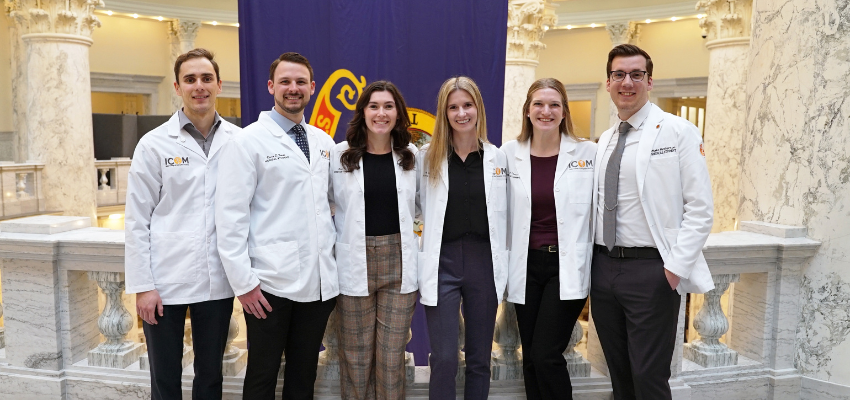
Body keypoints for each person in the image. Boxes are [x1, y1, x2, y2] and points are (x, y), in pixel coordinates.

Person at [591, 43, 714, 400]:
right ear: (609, 82)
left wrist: (673, 269)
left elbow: (701, 208)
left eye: (636, 74)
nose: (626, 82)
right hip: (603, 269)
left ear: (649, 81)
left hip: (651, 272)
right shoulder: (606, 138)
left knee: (649, 376)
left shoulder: (678, 131)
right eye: (618, 75)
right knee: (619, 374)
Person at [214, 52, 338, 400]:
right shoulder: (247, 141)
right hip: (268, 287)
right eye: (285, 82)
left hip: (317, 284)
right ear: (271, 87)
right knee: (262, 375)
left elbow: (330, 202)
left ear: (312, 88)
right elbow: (230, 217)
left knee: (303, 376)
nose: (293, 89)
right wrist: (245, 284)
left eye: (300, 82)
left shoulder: (322, 142)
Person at [125, 48, 239, 400]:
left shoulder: (239, 141)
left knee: (210, 377)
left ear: (219, 85)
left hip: (218, 280)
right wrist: (143, 286)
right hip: (164, 282)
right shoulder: (154, 144)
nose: (199, 86)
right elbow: (136, 219)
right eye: (190, 79)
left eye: (206, 78)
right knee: (165, 379)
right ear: (178, 87)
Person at [502, 78, 596, 400]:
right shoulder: (508, 154)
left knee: (545, 354)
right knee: (530, 358)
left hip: (564, 266)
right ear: (527, 111)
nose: (546, 111)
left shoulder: (588, 153)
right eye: (539, 104)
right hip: (525, 267)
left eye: (554, 104)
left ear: (564, 111)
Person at [416, 76, 508, 400]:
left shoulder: (499, 159)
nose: (461, 113)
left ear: (478, 108)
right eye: (453, 107)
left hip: (484, 261)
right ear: (444, 113)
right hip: (443, 261)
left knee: (480, 359)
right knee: (443, 357)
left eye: (467, 105)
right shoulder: (426, 158)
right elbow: (412, 205)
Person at [329, 80, 419, 400]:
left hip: (399, 261)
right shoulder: (340, 155)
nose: (381, 113)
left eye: (388, 106)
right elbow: (324, 202)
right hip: (355, 261)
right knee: (355, 356)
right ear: (363, 112)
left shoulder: (411, 156)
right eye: (374, 106)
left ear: (398, 114)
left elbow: (420, 205)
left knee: (391, 357)